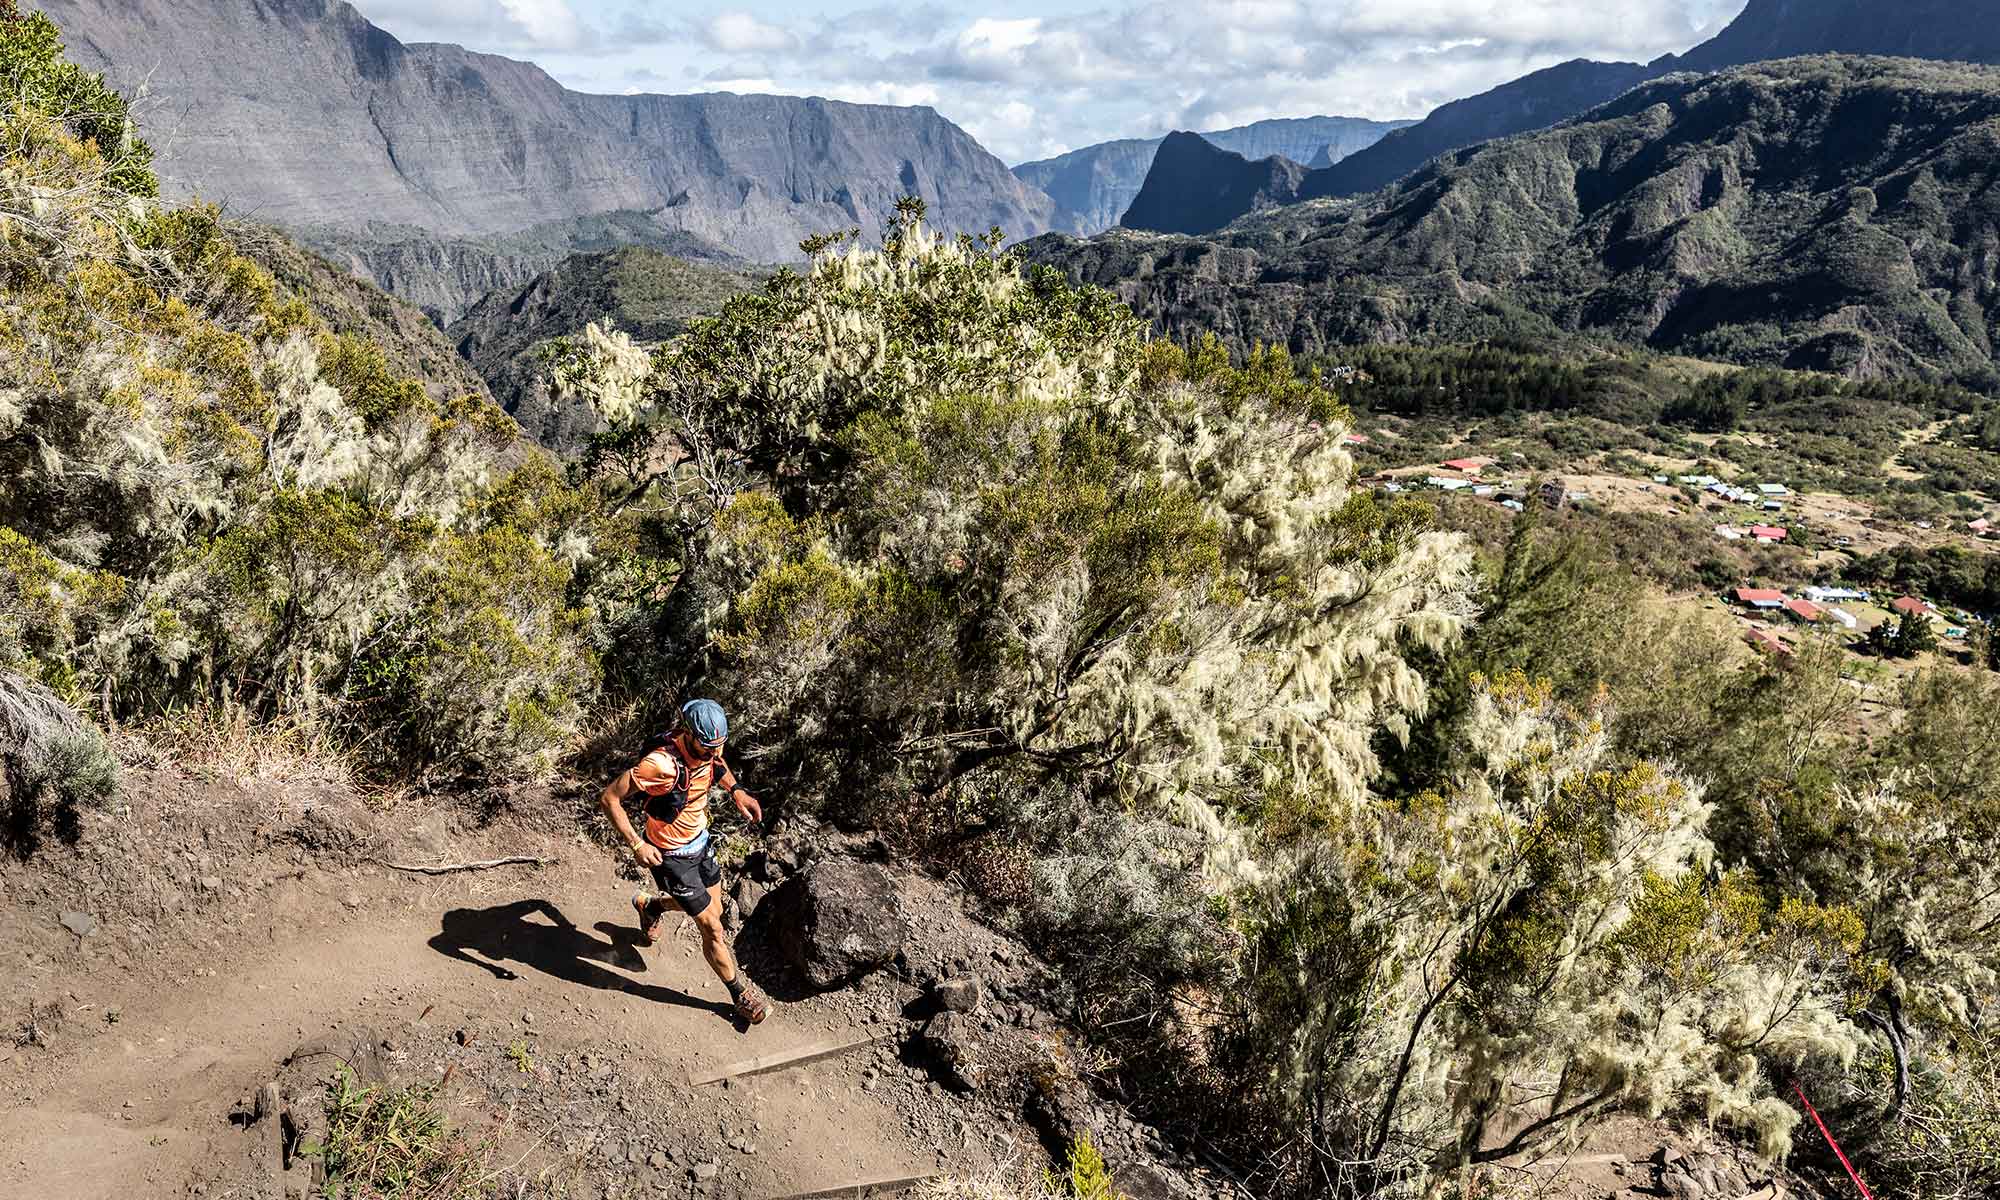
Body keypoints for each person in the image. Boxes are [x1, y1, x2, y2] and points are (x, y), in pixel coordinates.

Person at [598, 698, 770, 1024]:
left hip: (701, 843)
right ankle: (739, 995)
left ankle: (652, 906)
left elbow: (717, 767)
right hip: (672, 856)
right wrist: (636, 844)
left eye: (720, 747)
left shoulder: (709, 753)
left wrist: (737, 791)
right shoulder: (660, 766)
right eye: (708, 748)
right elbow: (609, 798)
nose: (716, 754)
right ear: (688, 735)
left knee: (714, 910)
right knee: (713, 929)